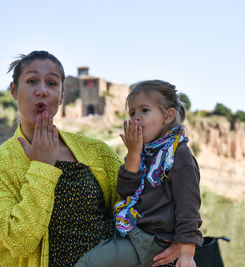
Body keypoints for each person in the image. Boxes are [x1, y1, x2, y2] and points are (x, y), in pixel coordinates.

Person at [0, 51, 178, 267]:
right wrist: (41, 167)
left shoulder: (96, 151)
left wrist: (179, 238)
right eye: (31, 81)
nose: (42, 91)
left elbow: (139, 201)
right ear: (14, 90)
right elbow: (20, 241)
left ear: (62, 95)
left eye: (52, 83)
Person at [76, 80, 203, 267]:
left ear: (168, 116)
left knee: (87, 264)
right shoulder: (143, 152)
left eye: (145, 110)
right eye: (132, 113)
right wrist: (134, 154)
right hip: (133, 233)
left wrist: (186, 253)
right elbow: (125, 191)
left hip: (151, 239)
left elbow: (188, 204)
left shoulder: (178, 154)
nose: (137, 118)